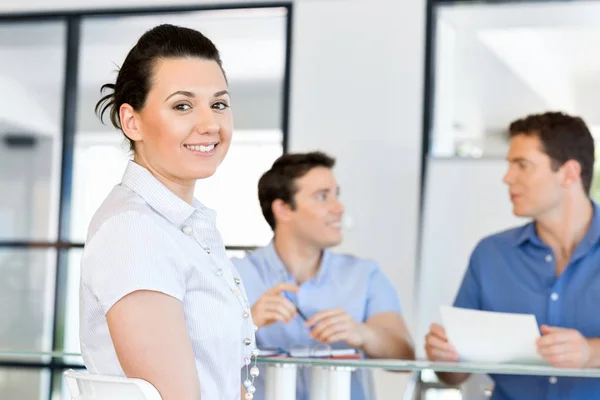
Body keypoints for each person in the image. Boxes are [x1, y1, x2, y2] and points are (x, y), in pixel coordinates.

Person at [79, 24, 259, 400]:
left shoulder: (183, 225)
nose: (210, 124)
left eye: (219, 104)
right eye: (182, 105)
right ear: (132, 121)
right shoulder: (134, 230)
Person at [425, 111, 600, 399]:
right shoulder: (490, 255)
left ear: (569, 173)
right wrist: (445, 357)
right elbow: (454, 374)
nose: (507, 178)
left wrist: (591, 352)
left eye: (522, 165)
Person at [233, 151, 415, 400]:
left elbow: (404, 355)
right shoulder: (233, 276)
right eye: (322, 197)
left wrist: (363, 334)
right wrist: (246, 323)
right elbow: (197, 356)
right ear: (283, 209)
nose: (339, 208)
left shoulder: (365, 274)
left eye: (336, 195)